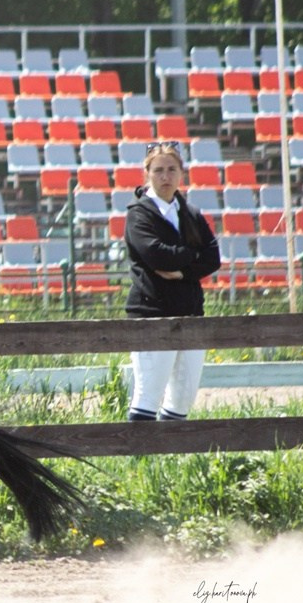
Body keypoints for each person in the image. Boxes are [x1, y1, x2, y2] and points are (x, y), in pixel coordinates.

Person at [124, 140, 221, 421]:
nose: (165, 176)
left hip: (191, 312)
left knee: (183, 399)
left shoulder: (190, 212)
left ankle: (168, 458)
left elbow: (213, 257)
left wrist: (182, 271)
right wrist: (194, 255)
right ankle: (139, 458)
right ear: (148, 174)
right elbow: (156, 255)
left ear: (181, 173)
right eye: (158, 170)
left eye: (171, 169)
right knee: (148, 395)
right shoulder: (138, 214)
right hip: (152, 312)